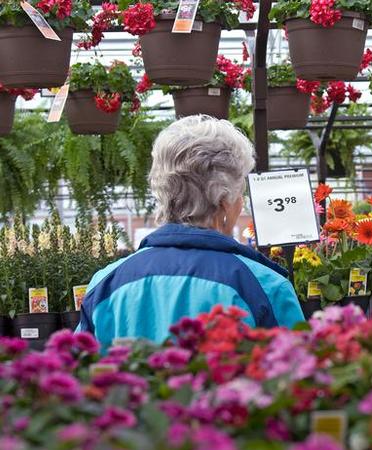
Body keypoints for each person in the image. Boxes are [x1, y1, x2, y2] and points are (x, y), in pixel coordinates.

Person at [78, 116, 305, 348]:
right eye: (240, 193)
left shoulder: (105, 283)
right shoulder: (265, 287)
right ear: (224, 201)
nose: (241, 202)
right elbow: (297, 374)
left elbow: (76, 370)